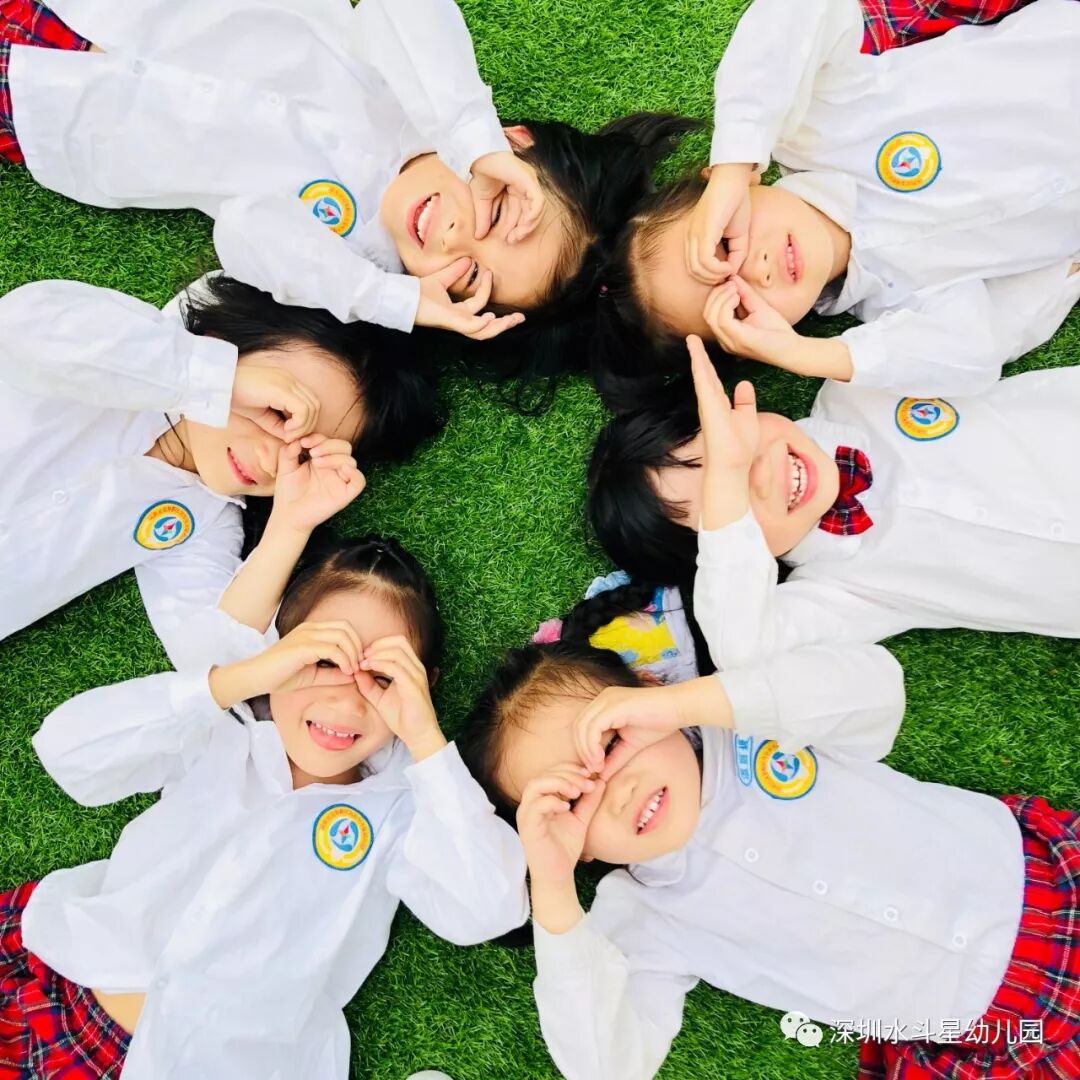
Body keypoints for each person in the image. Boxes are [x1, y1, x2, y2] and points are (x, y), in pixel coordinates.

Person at [0, 535, 528, 1079]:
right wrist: (244, 676)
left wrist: (427, 742)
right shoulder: (217, 731)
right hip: (58, 999)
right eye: (323, 659)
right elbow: (66, 752)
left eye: (383, 678)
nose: (345, 699)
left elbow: (489, 911)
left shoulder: (406, 812)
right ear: (280, 650)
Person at [459, 624, 1080, 1079]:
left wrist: (687, 703)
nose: (615, 791)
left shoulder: (757, 720)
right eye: (573, 800)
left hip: (1050, 883)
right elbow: (608, 1067)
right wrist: (553, 888)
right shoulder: (640, 918)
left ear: (646, 695)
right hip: (993, 1039)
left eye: (610, 740)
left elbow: (877, 690)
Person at [0, 0, 693, 379]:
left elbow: (243, 233)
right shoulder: (419, 101)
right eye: (500, 212)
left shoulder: (354, 265)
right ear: (516, 145)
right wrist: (470, 138)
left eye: (470, 278)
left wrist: (391, 299)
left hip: (47, 109)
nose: (458, 239)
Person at [599, 0, 1080, 397]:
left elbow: (800, 15)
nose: (757, 270)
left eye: (725, 244)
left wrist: (734, 162)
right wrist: (803, 354)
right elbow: (977, 350)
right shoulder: (895, 313)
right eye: (738, 307)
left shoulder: (816, 129)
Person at [0, 274, 440, 667]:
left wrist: (290, 525)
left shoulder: (205, 520)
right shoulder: (134, 351)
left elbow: (211, 657)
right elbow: (21, 325)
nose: (272, 459)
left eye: (305, 454)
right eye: (279, 412)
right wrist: (211, 379)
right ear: (222, 344)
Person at [588, 333, 1080, 666]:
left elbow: (977, 335)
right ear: (721, 553)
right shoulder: (838, 591)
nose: (762, 471)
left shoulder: (855, 384)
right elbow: (741, 651)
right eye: (728, 497)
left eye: (725, 447)